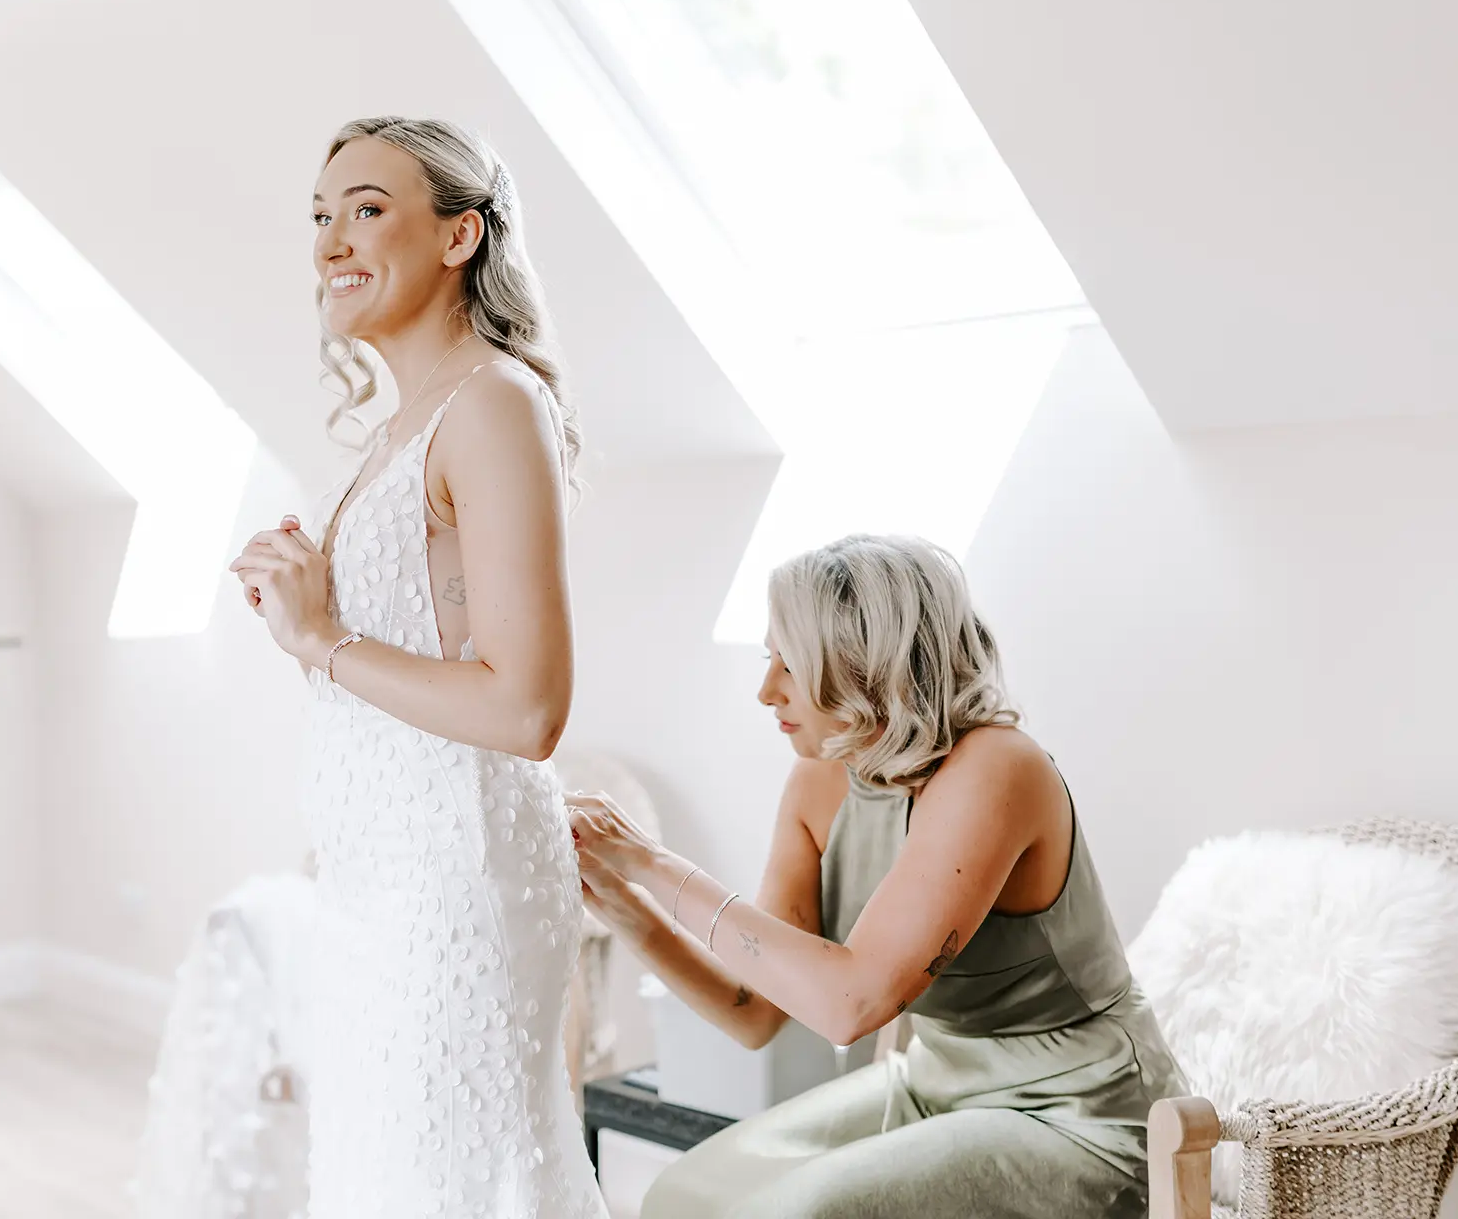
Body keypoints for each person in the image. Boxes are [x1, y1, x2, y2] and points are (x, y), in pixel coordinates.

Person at [214, 116, 608, 1217]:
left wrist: (323, 638)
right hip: (377, 876)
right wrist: (308, 616)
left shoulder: (491, 405)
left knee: (446, 1177)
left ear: (458, 236)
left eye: (367, 209)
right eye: (321, 217)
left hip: (457, 882)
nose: (330, 241)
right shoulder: (401, 429)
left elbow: (528, 707)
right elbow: (387, 675)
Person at [567, 535, 1185, 1219]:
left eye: (787, 662)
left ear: (863, 662)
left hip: (1081, 1114)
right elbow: (755, 1013)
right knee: (682, 1195)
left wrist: (655, 862)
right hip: (933, 1083)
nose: (766, 689)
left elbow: (849, 1005)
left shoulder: (998, 769)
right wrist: (624, 902)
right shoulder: (819, 779)